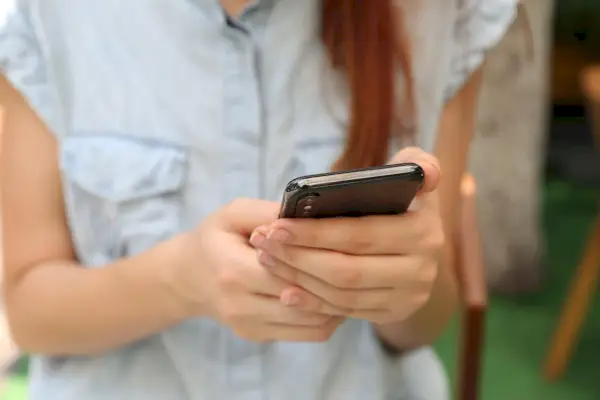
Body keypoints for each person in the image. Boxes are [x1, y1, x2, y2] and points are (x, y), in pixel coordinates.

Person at [0, 1, 517, 399]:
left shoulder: (443, 13)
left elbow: (426, 322)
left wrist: (407, 283)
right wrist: (181, 280)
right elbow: (30, 313)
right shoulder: (46, 16)